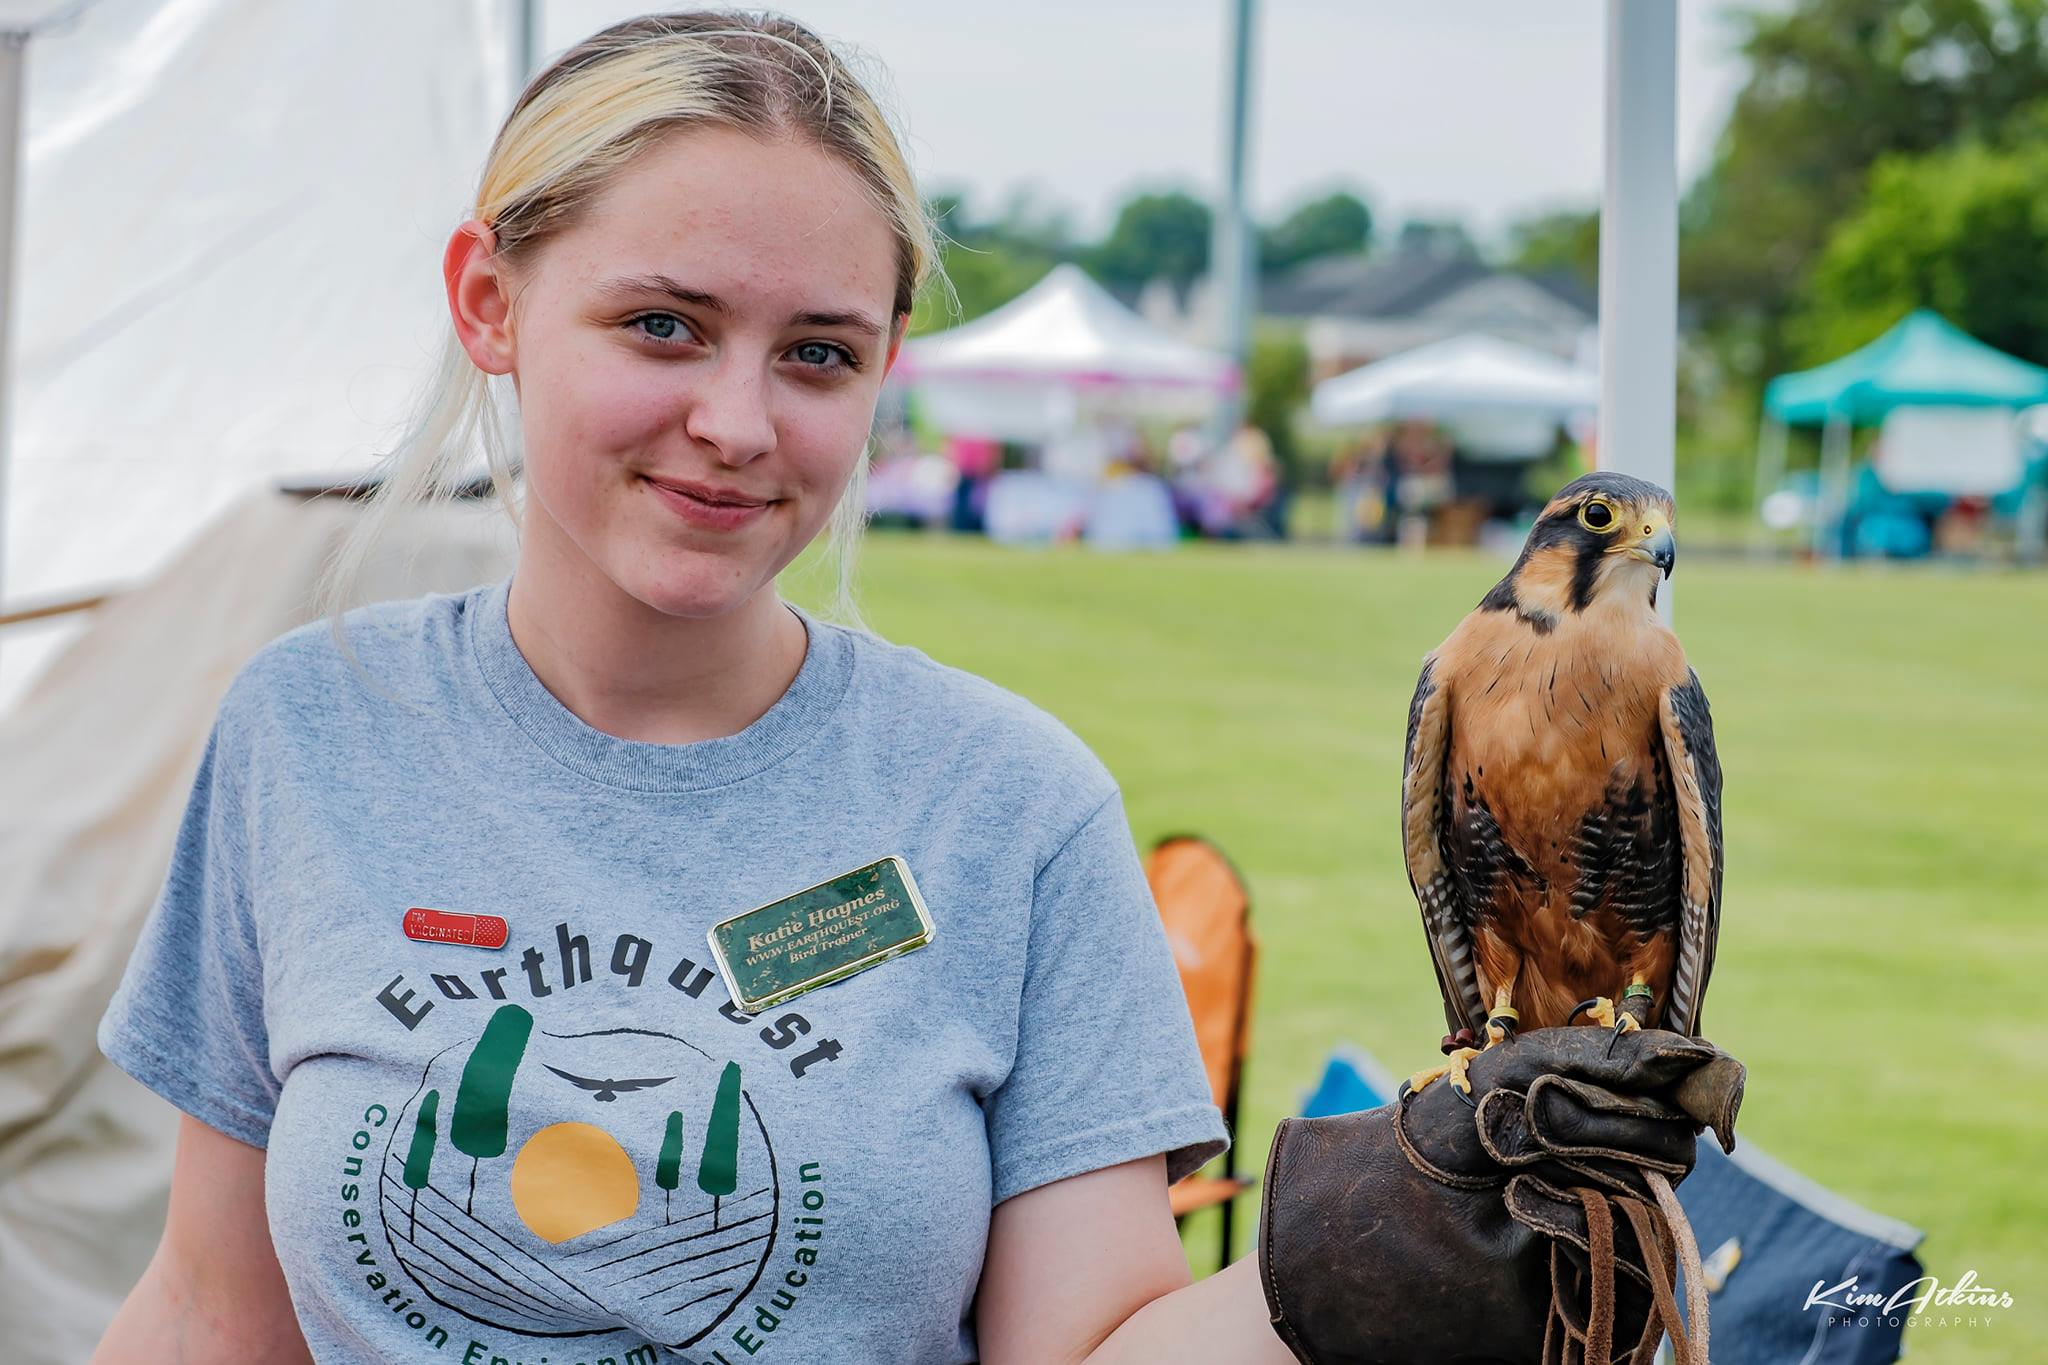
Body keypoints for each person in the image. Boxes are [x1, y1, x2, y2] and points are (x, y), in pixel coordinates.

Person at [90, 13, 1741, 1364]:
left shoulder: (1008, 804)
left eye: (817, 353)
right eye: (663, 325)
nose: (739, 420)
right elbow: (213, 1316)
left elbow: (1086, 1357)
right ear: (489, 303)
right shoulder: (311, 732)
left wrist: (1362, 1245)